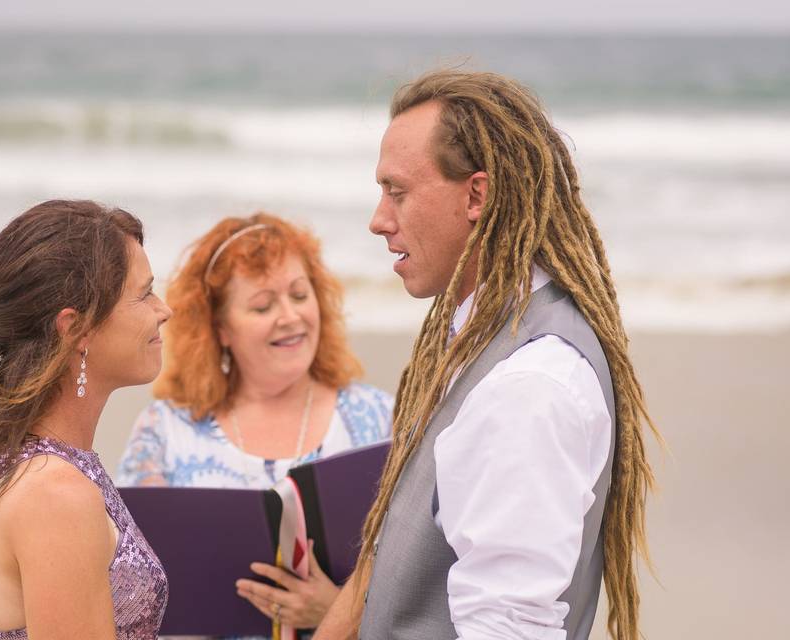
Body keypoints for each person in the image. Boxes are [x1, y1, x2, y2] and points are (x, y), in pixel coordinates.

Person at [314, 71, 660, 640]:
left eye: (396, 191)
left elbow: (509, 627)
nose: (379, 220)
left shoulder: (529, 384)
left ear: (477, 195)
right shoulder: (483, 341)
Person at [0, 200, 173, 640]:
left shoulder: (24, 464)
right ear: (75, 329)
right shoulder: (56, 494)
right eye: (144, 293)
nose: (164, 309)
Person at [117, 212, 393, 639]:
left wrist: (337, 610)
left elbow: (421, 570)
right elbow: (131, 583)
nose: (290, 316)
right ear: (221, 327)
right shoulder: (165, 431)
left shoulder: (379, 418)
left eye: (300, 295)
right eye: (263, 305)